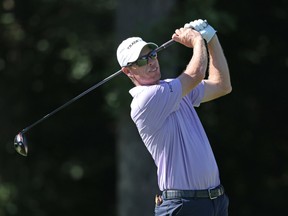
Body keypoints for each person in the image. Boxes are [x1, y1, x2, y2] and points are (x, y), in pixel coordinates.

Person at [116, 19, 232, 216]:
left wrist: (211, 38)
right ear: (128, 71)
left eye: (152, 55)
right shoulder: (144, 100)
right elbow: (195, 75)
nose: (151, 62)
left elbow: (222, 85)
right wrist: (197, 41)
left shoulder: (174, 88)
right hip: (183, 205)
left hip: (216, 202)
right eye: (142, 61)